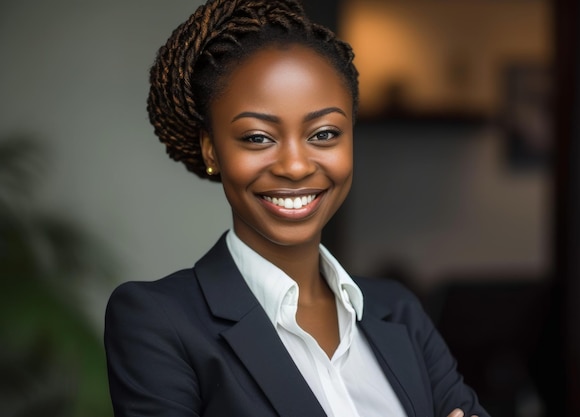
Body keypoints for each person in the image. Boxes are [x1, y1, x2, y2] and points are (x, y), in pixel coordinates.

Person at [104, 1, 490, 416]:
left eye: (324, 133)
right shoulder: (159, 321)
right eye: (257, 137)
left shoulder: (397, 311)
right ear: (211, 148)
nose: (295, 166)